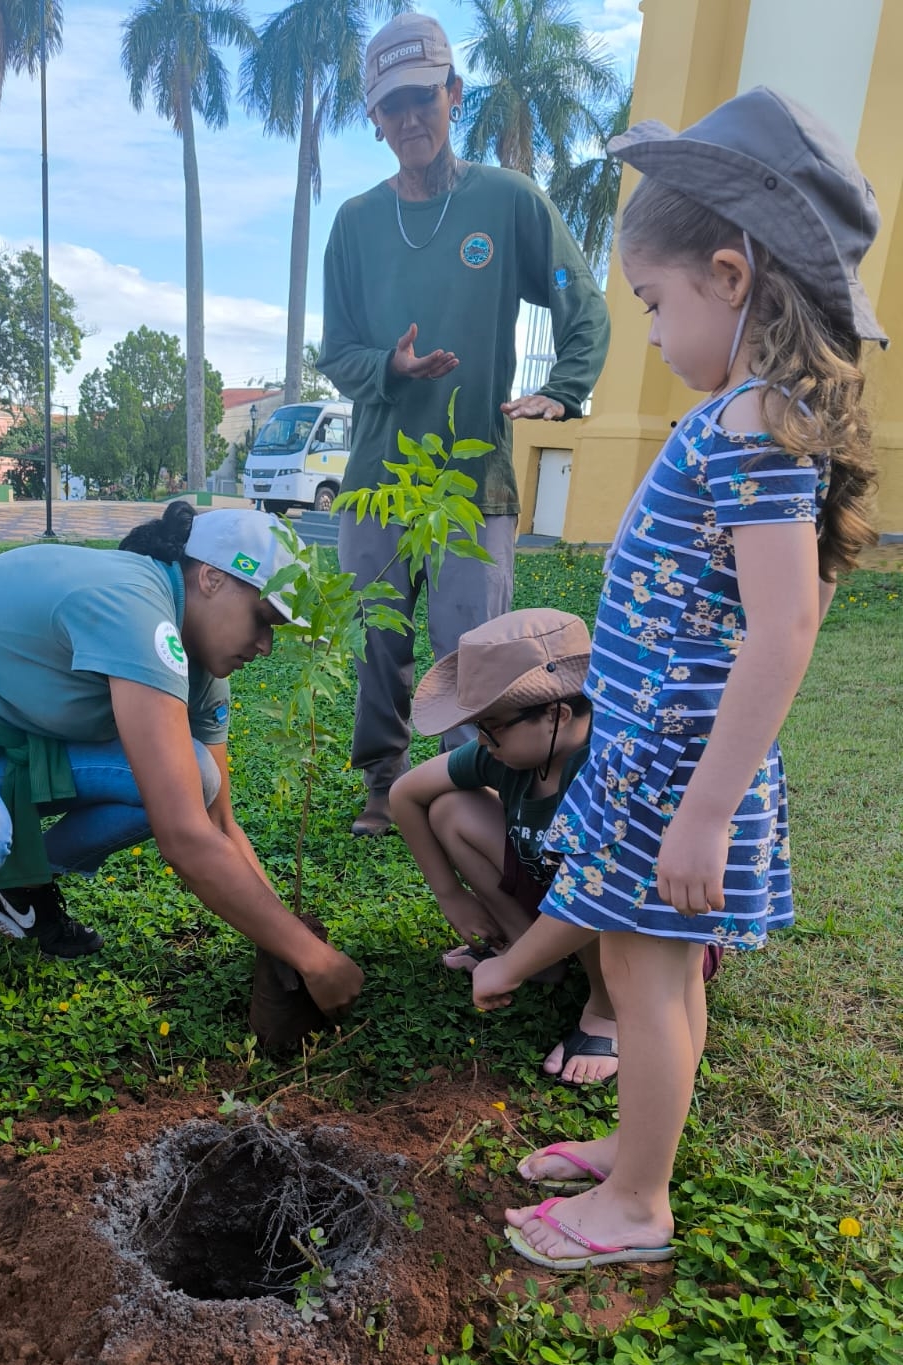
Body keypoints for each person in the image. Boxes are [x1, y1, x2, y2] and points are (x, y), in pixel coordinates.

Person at [470, 87, 884, 1268]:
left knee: (645, 978)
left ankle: (638, 1206)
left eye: (654, 302)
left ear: (730, 275)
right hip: (655, 760)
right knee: (650, 972)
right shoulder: (746, 418)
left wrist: (706, 809)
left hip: (677, 777)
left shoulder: (752, 422)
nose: (649, 333)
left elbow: (786, 625)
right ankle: (635, 1148)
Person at [0, 504, 364, 1040]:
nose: (265, 644)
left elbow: (217, 822)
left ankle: (12, 883)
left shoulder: (200, 663)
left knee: (197, 777)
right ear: (211, 578)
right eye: (262, 618)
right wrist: (315, 959)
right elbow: (185, 838)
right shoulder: (132, 605)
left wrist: (287, 939)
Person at [317, 12, 610, 839]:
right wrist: (391, 366)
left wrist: (565, 386)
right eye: (392, 105)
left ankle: (469, 788)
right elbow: (336, 353)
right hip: (376, 482)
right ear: (374, 119)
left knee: (476, 651)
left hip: (474, 481)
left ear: (454, 95)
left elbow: (580, 296)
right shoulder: (354, 223)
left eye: (423, 97)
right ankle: (384, 784)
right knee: (380, 642)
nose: (410, 117)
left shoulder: (508, 201)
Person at [390, 609, 623, 1087]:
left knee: (588, 879)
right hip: (559, 896)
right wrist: (450, 895)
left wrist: (508, 971)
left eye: (491, 726)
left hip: (627, 920)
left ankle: (608, 1011)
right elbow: (404, 795)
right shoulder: (508, 753)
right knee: (450, 810)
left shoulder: (605, 765)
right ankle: (536, 955)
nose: (482, 740)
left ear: (556, 715)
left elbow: (595, 895)